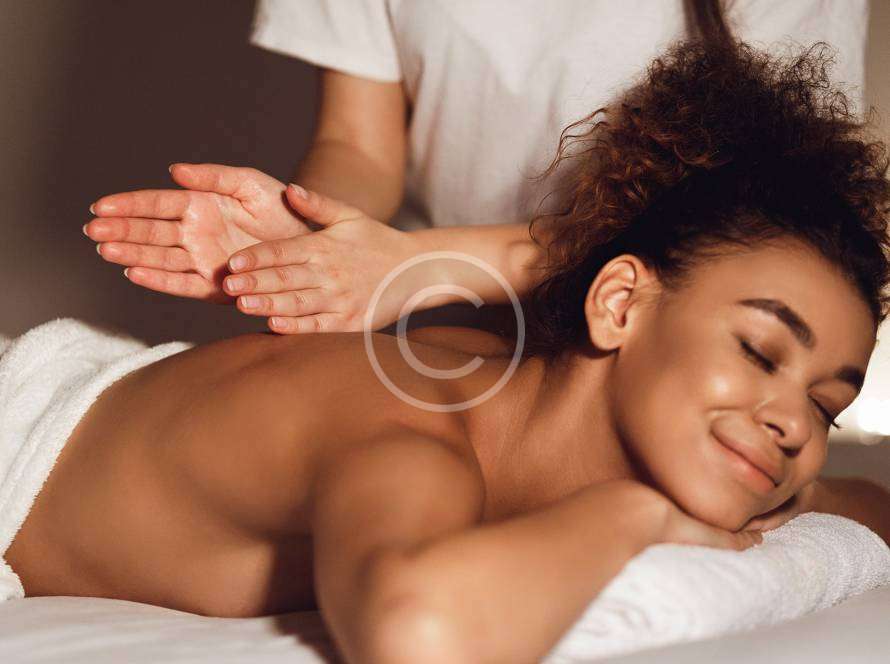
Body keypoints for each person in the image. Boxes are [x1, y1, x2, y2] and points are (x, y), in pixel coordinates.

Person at [10, 39, 890, 663]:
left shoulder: (507, 386)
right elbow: (416, 634)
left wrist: (814, 493)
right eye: (761, 351)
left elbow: (856, 502)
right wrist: (640, 523)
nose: (792, 421)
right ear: (619, 304)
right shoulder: (412, 431)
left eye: (827, 405)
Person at [83, 0, 869, 336]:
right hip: (455, 324)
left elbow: (753, 208)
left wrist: (412, 268)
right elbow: (360, 147)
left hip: (666, 326)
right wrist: (305, 231)